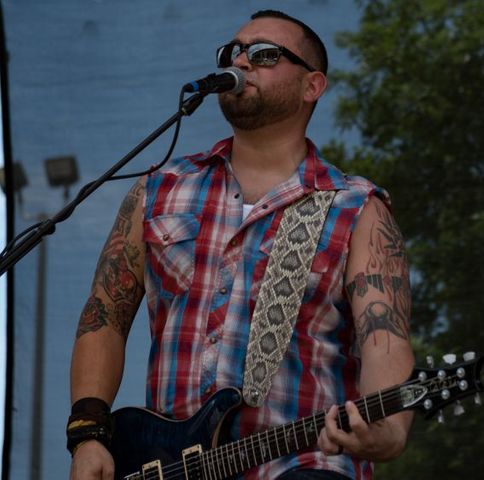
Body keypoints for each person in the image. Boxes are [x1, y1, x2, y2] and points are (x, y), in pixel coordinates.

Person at [67, 9, 414, 480]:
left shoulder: (356, 208)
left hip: (304, 460)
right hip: (172, 464)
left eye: (266, 54)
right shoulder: (159, 190)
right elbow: (104, 316)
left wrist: (389, 428)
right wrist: (88, 435)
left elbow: (384, 337)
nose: (242, 61)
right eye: (233, 52)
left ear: (312, 86)